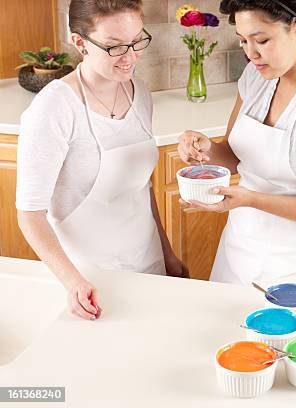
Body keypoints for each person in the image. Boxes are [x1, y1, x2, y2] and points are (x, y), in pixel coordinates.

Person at [16, 0, 188, 321]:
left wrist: (167, 255)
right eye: (114, 46)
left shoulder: (139, 92)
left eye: (137, 40)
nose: (130, 56)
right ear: (80, 43)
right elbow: (30, 215)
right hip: (88, 278)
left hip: (147, 261)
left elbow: (142, 187)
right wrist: (73, 282)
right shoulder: (55, 108)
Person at [178, 0, 296, 285]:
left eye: (261, 40)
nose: (251, 53)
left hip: (294, 266)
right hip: (237, 251)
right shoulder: (256, 76)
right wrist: (205, 149)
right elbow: (233, 154)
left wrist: (250, 199)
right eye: (242, 41)